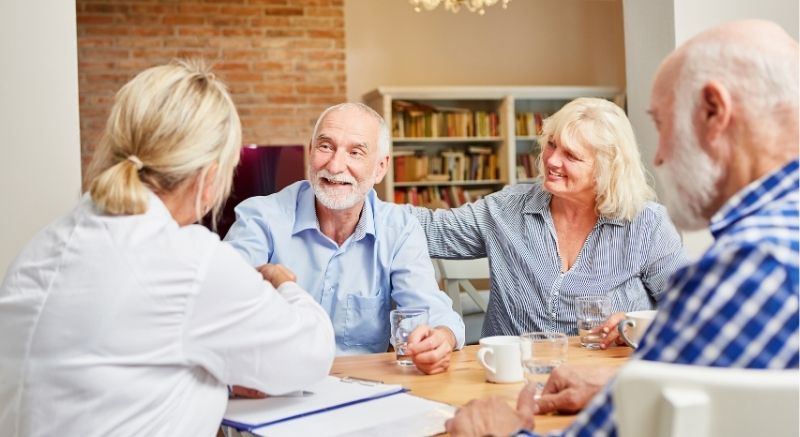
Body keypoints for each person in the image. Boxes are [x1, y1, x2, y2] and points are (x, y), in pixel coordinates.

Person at [444, 19, 799, 436]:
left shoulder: (750, 266)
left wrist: (497, 432)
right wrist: (617, 385)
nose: (661, 155)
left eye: (663, 125)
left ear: (713, 111)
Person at [0, 60, 336, 436]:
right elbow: (312, 354)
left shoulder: (42, 246)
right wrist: (284, 283)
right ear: (210, 176)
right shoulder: (191, 261)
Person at [410, 97, 686, 337]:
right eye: (552, 145)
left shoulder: (648, 225)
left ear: (606, 169)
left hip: (602, 379)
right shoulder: (506, 210)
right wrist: (366, 191)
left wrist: (636, 325)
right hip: (513, 378)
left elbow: (687, 311)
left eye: (571, 156)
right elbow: (427, 228)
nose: (552, 160)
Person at [224, 102, 465, 374]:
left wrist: (441, 338)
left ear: (380, 168)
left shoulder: (399, 229)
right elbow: (222, 307)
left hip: (361, 390)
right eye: (326, 146)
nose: (336, 165)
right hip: (273, 384)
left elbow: (431, 312)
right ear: (311, 150)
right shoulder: (260, 218)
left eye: (355, 152)